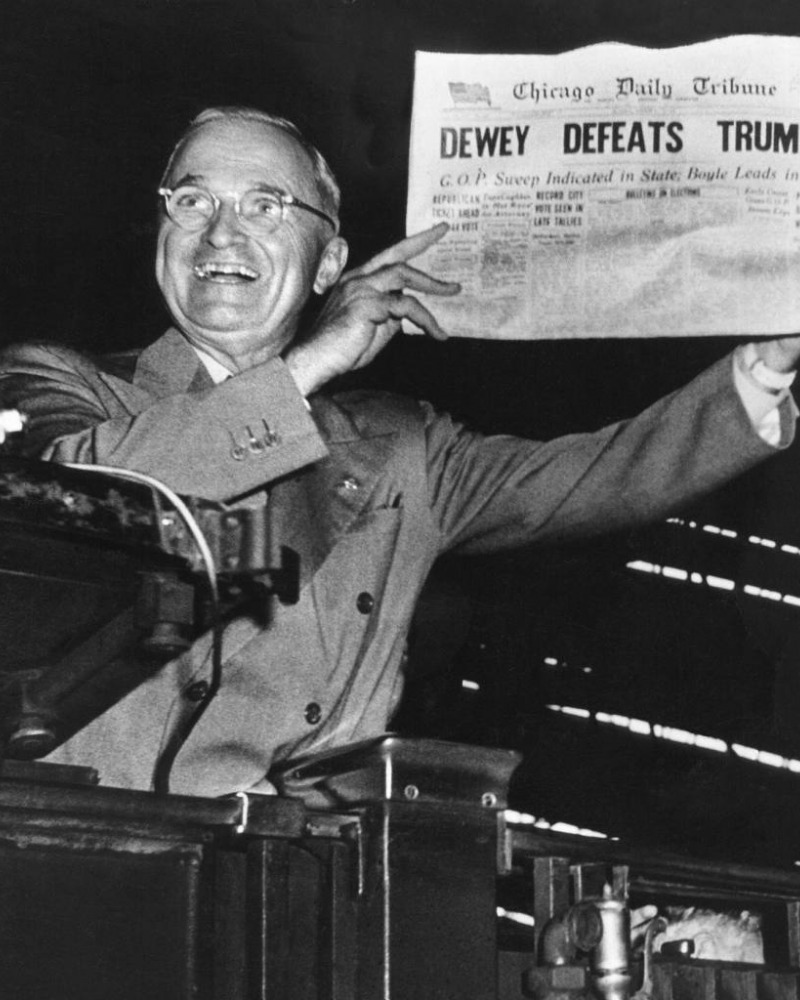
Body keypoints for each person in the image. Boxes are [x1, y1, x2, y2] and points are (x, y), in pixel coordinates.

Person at [1, 105, 799, 798]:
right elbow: (84, 501)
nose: (221, 231)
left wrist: (760, 368)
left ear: (332, 264)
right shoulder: (57, 384)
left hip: (295, 877)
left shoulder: (403, 449)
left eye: (266, 205)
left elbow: (597, 475)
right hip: (84, 861)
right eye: (192, 199)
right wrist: (313, 361)